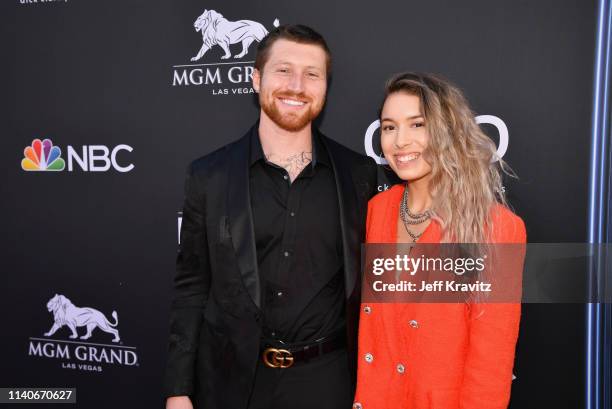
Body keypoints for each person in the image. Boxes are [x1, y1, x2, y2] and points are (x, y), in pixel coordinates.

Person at [164, 24, 378, 409]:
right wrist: (178, 389)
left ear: (325, 88)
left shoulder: (359, 174)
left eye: (312, 74)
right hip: (232, 383)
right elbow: (192, 286)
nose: (297, 85)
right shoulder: (209, 175)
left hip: (328, 382)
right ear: (256, 78)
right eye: (283, 70)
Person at [352, 72, 526, 409]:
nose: (400, 141)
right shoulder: (378, 210)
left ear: (447, 131)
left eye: (417, 125)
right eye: (389, 127)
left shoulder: (496, 228)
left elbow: (491, 366)